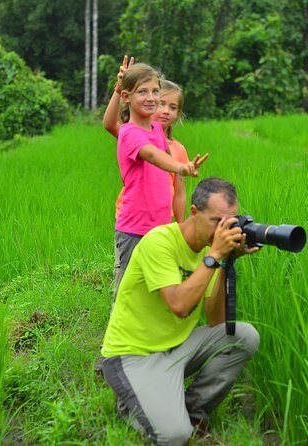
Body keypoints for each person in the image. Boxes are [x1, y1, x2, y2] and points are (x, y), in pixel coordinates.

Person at [100, 177, 261, 445]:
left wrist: (225, 263)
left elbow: (217, 321)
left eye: (230, 223)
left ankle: (192, 410)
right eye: (216, 221)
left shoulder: (211, 253)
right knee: (175, 436)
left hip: (176, 347)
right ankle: (130, 406)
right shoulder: (159, 242)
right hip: (133, 355)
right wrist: (215, 257)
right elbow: (179, 305)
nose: (223, 230)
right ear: (194, 213)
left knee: (243, 336)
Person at [110, 61, 207, 297]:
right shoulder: (129, 132)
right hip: (135, 228)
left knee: (155, 285)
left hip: (160, 225)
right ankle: (119, 331)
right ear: (127, 97)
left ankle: (150, 330)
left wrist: (179, 225)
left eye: (156, 92)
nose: (154, 99)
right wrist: (181, 168)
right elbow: (153, 156)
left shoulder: (155, 131)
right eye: (144, 92)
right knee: (127, 289)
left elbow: (167, 168)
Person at [103, 55, 203, 224]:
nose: (165, 111)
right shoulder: (132, 134)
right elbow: (110, 124)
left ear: (178, 113)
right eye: (162, 103)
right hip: (135, 220)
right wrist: (119, 88)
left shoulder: (178, 148)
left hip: (161, 219)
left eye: (173, 107)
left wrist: (179, 227)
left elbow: (179, 193)